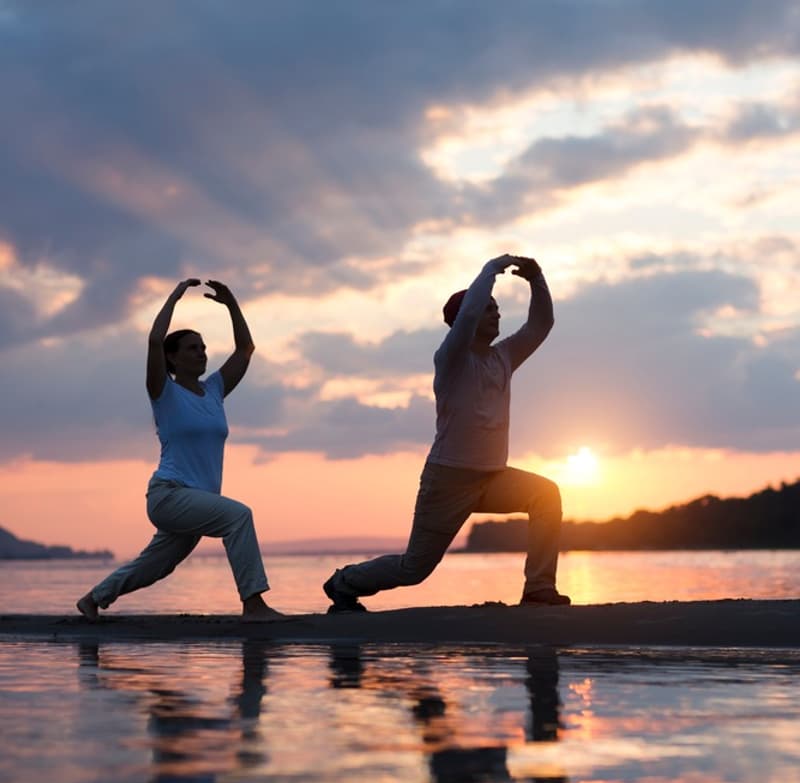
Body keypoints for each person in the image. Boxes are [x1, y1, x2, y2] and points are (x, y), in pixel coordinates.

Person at [323, 254, 570, 612]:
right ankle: (343, 583)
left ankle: (538, 589)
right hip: (448, 481)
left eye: (497, 308)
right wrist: (491, 269)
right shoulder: (451, 358)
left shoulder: (504, 357)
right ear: (462, 322)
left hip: (492, 478)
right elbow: (467, 316)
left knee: (546, 495)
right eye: (488, 308)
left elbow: (541, 324)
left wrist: (536, 277)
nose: (496, 313)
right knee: (414, 568)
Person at [77, 279, 281, 622]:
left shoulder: (214, 389)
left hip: (194, 501)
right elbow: (155, 340)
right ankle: (254, 605)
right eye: (192, 348)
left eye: (203, 347)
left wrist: (231, 303)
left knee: (158, 565)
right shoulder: (164, 392)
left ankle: (93, 599)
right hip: (170, 494)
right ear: (172, 358)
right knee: (238, 516)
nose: (201, 353)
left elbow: (245, 349)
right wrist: (175, 296)